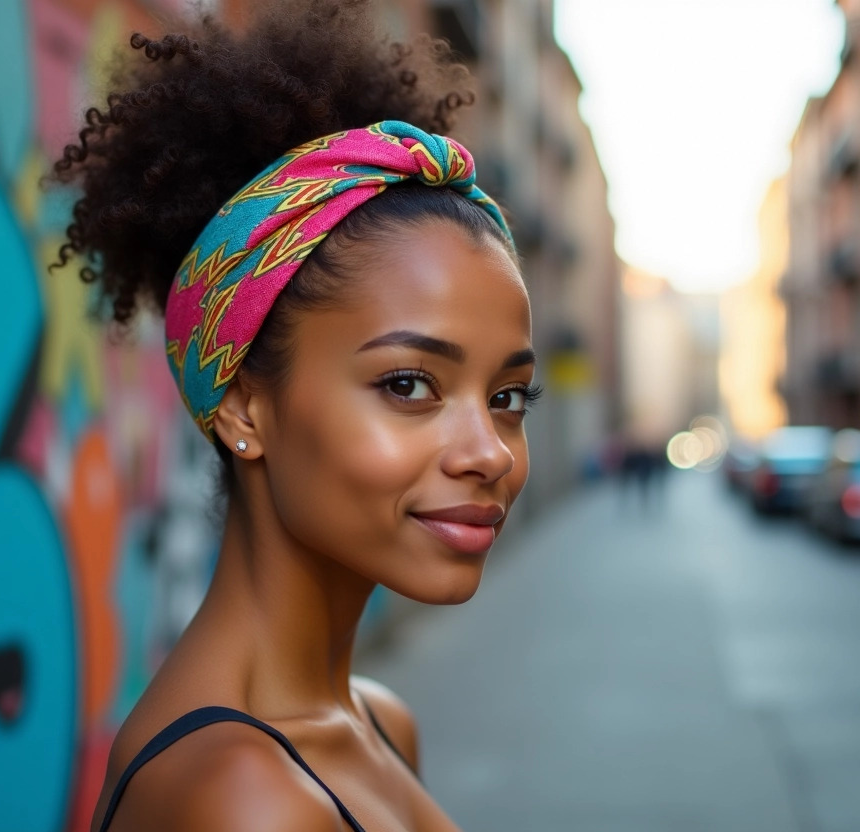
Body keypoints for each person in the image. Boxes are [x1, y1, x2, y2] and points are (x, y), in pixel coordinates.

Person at [52, 2, 537, 829]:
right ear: (243, 404)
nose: (488, 452)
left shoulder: (380, 724)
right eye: (410, 385)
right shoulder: (243, 798)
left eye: (507, 398)